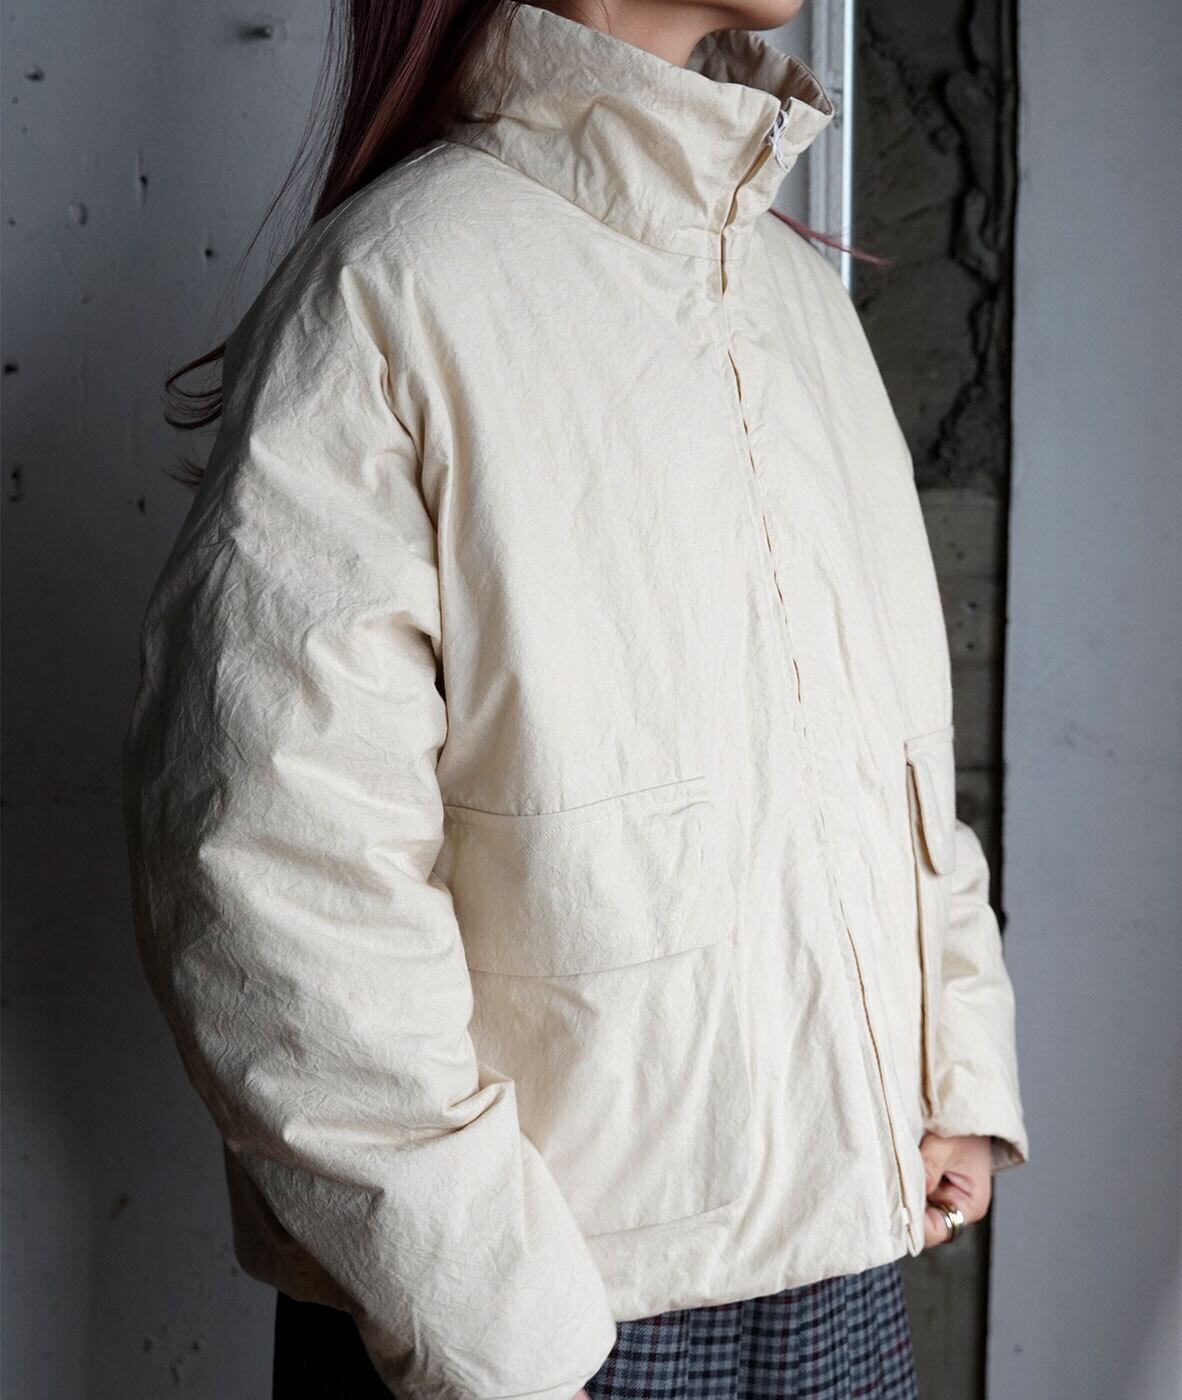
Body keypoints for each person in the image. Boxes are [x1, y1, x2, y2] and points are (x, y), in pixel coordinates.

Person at [122, 1, 1031, 1397]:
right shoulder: (395, 288)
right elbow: (274, 876)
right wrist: (504, 1324)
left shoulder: (796, 300)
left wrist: (953, 1068)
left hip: (845, 1258)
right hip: (552, 1322)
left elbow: (893, 747)